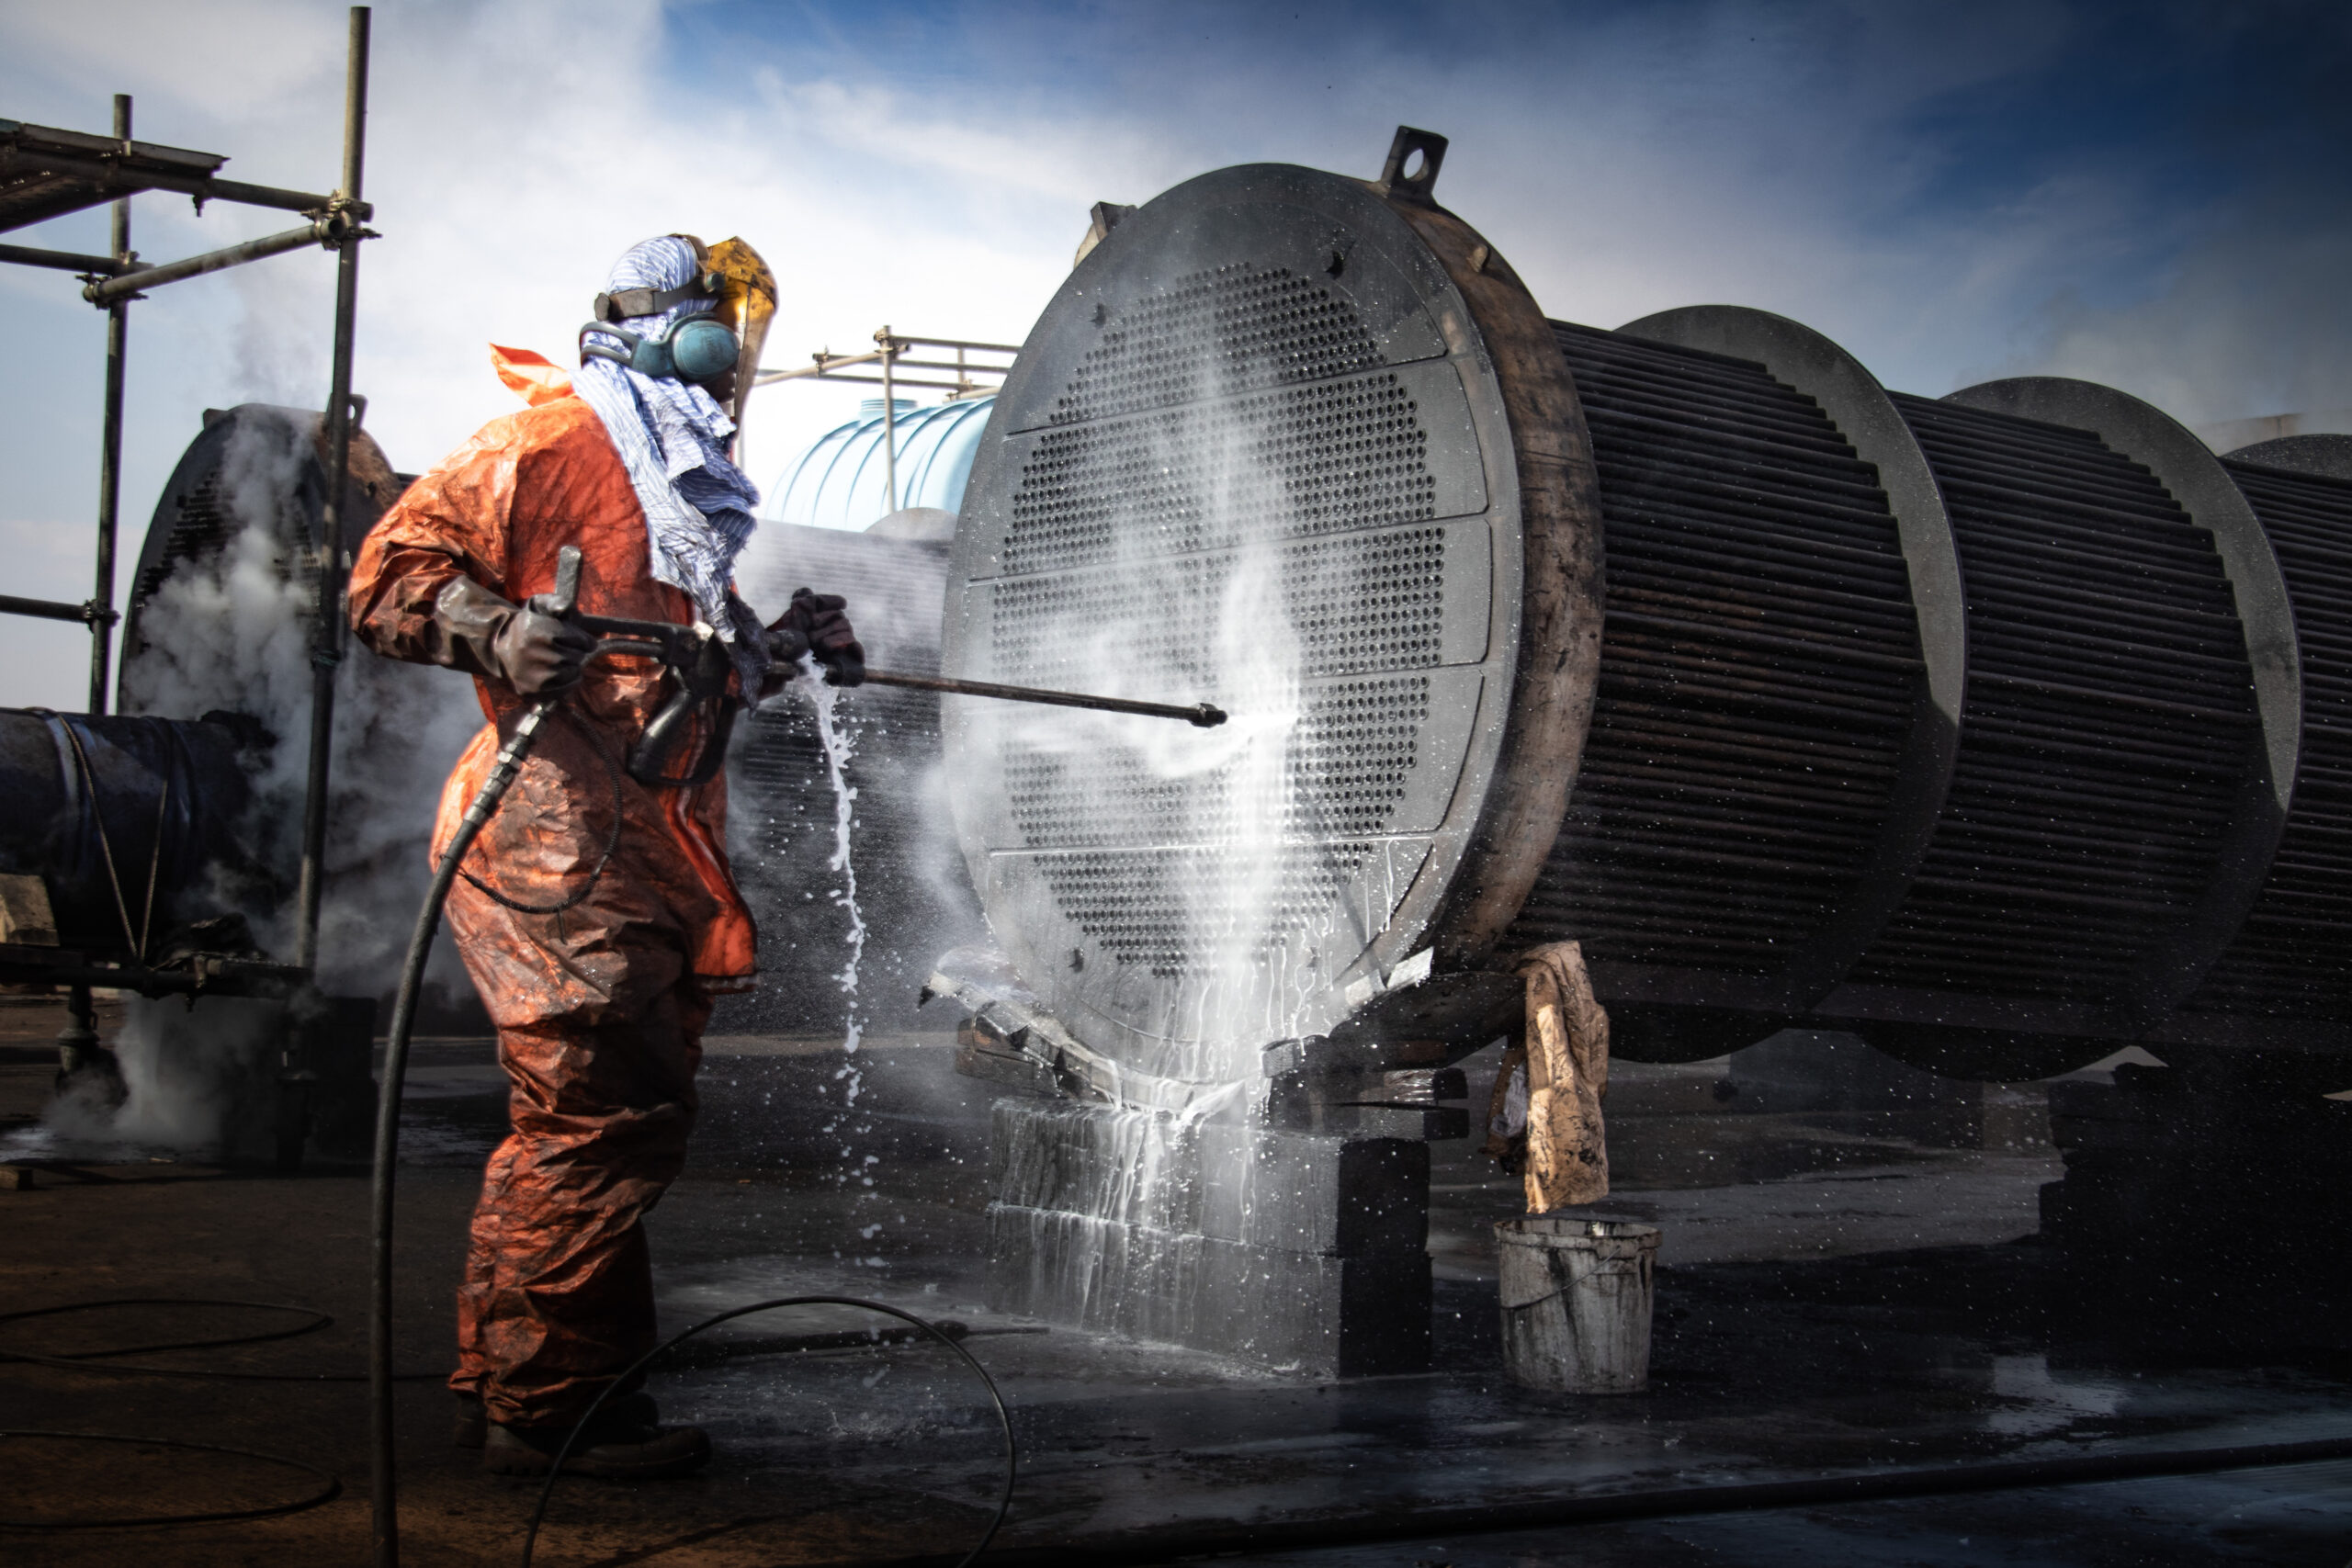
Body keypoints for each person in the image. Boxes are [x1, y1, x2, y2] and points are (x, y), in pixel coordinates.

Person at [347, 234, 863, 1479]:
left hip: (630, 845)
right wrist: (489, 626)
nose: (737, 360)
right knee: (602, 1121)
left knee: (580, 1125)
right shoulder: (553, 436)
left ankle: (529, 1380)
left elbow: (687, 666)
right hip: (549, 844)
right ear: (668, 329)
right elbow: (387, 573)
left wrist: (781, 646)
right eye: (725, 330)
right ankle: (552, 1410)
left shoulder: (671, 484)